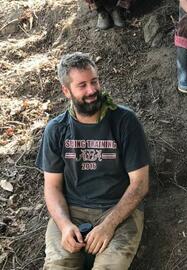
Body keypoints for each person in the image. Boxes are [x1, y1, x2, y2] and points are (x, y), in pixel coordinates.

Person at [36, 52, 150, 269]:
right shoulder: (56, 130)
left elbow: (140, 184)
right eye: (82, 85)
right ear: (66, 91)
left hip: (118, 210)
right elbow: (52, 187)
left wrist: (109, 225)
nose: (92, 90)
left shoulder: (125, 122)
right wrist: (65, 224)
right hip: (72, 211)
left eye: (94, 81)